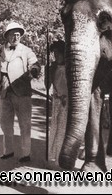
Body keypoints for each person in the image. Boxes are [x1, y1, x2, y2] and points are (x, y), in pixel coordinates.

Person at [0, 22, 41, 163]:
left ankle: (25, 153)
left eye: (18, 34)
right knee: (5, 124)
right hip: (5, 93)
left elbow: (35, 64)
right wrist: (0, 78)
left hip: (22, 93)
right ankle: (8, 151)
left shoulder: (26, 50)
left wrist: (33, 71)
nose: (16, 37)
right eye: (13, 34)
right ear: (7, 36)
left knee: (25, 124)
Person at [44, 40, 68, 168]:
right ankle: (52, 155)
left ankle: (61, 158)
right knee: (55, 127)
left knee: (63, 129)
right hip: (57, 101)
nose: (57, 56)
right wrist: (47, 70)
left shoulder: (70, 67)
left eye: (59, 54)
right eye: (55, 54)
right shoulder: (52, 67)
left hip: (67, 102)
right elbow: (47, 85)